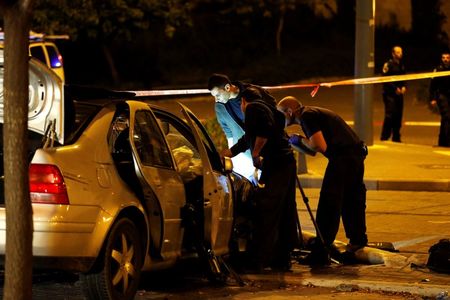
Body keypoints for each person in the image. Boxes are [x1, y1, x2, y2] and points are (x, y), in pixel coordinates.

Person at [277, 96, 368, 266]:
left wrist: (297, 139)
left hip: (343, 157)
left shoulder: (306, 116)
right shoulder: (312, 113)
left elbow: (319, 146)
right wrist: (294, 141)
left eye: (280, 114)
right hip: (354, 155)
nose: (279, 119)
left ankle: (320, 252)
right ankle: (357, 241)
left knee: (329, 202)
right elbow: (312, 150)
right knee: (352, 200)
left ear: (289, 112)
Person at [221, 87, 299, 271]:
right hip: (285, 162)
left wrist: (256, 153)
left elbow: (263, 130)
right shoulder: (267, 107)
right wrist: (228, 153)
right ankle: (282, 257)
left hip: (276, 164)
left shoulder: (253, 108)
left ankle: (258, 260)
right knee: (285, 209)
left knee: (266, 209)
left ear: (242, 101)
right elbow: (248, 137)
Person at [207, 73, 276, 182]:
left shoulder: (254, 93)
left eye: (218, 95)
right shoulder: (222, 105)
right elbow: (229, 131)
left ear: (227, 88)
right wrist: (233, 152)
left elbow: (273, 116)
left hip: (268, 149)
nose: (216, 99)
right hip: (247, 151)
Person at [380, 46, 407, 142]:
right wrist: (395, 88)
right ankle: (384, 136)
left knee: (398, 115)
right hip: (389, 94)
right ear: (393, 54)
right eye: (398, 52)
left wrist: (404, 86)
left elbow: (403, 78)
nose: (400, 54)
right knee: (390, 115)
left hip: (399, 94)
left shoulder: (401, 65)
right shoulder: (388, 65)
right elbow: (385, 79)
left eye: (401, 52)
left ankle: (396, 136)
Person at [429, 50, 450, 147]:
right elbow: (432, 85)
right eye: (444, 58)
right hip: (442, 95)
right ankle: (446, 141)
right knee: (446, 116)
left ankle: (442, 140)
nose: (445, 60)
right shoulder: (438, 70)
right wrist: (432, 98)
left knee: (445, 119)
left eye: (447, 58)